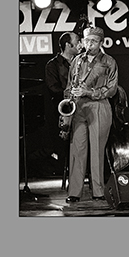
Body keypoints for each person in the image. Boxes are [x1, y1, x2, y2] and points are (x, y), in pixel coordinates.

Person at [65, 26, 118, 202]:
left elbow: (111, 89)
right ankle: (74, 192)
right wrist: (69, 97)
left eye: (93, 41)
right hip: (79, 107)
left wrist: (89, 91)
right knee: (77, 150)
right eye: (87, 41)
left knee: (97, 151)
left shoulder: (109, 61)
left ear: (101, 43)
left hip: (99, 106)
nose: (89, 44)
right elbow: (68, 85)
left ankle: (98, 191)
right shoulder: (76, 60)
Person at [44, 31, 82, 174]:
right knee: (63, 146)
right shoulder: (52, 65)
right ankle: (67, 172)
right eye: (77, 41)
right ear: (68, 44)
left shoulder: (81, 62)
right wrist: (71, 94)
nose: (80, 44)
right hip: (63, 112)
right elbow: (53, 88)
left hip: (81, 109)